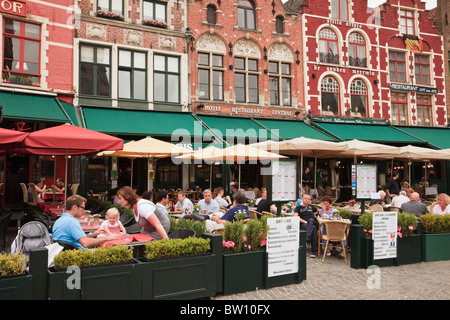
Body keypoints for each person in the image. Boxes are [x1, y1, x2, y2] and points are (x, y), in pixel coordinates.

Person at [52, 195, 119, 249]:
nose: (84, 211)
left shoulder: (60, 220)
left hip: (67, 254)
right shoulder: (72, 222)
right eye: (82, 208)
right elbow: (85, 243)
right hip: (80, 256)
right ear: (74, 207)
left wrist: (92, 234)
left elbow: (78, 238)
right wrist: (107, 238)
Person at [294, 194, 318, 258]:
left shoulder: (311, 207)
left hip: (312, 222)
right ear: (302, 199)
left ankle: (306, 238)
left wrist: (323, 211)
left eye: (308, 199)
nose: (307, 200)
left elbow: (319, 211)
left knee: (311, 220)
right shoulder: (298, 208)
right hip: (304, 224)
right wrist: (304, 221)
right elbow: (295, 217)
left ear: (310, 200)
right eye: (305, 198)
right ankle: (314, 251)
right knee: (313, 228)